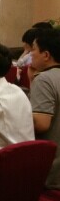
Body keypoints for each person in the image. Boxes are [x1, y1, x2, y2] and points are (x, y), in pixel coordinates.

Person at [29, 29, 60, 189]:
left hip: (51, 171)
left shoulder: (45, 79)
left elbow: (41, 124)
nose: (30, 54)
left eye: (33, 49)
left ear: (46, 55)